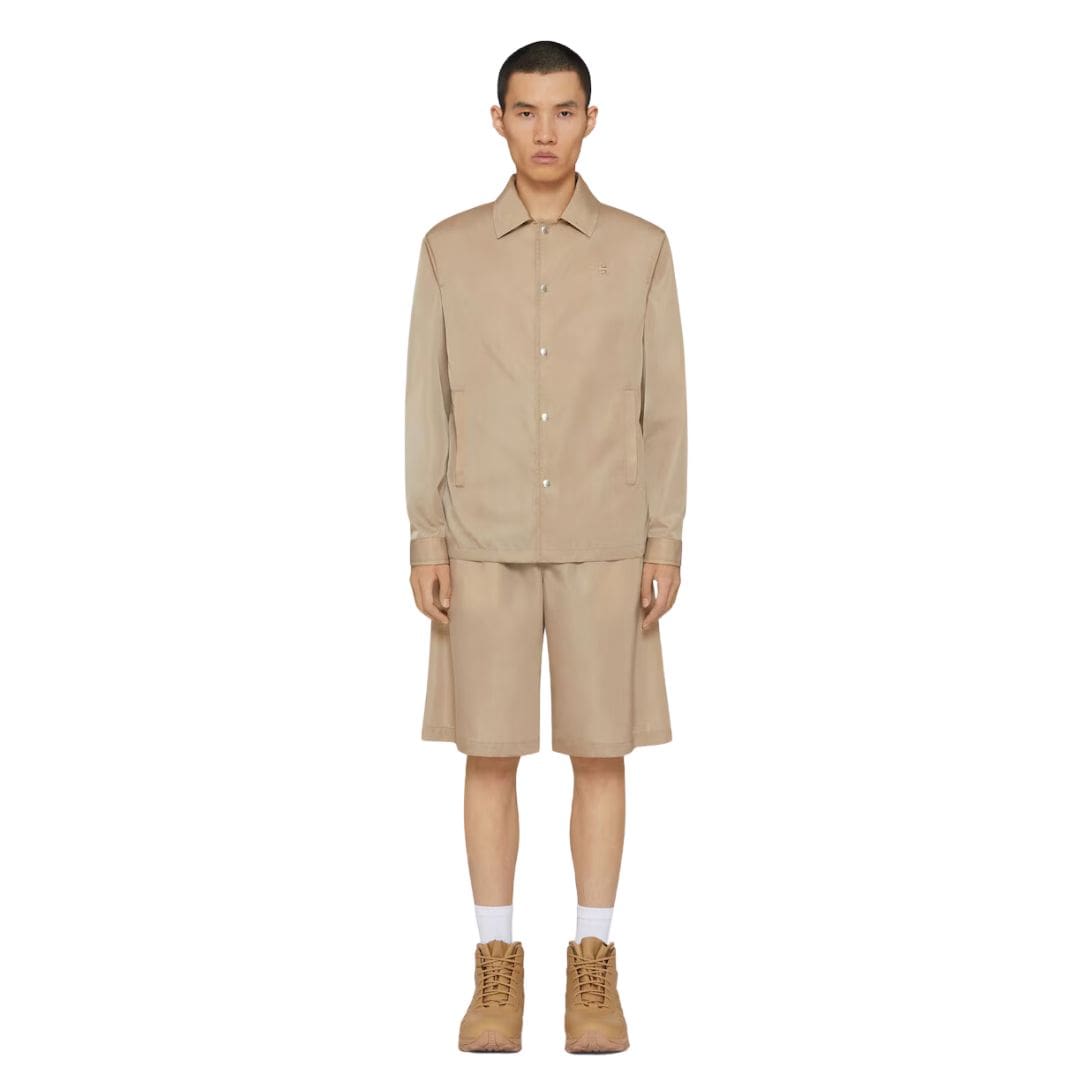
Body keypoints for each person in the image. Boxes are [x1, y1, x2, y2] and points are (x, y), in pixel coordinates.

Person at [403, 40, 688, 1054]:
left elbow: (665, 408)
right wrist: (425, 532)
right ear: (498, 120)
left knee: (600, 750)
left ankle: (593, 968)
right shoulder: (447, 249)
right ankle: (495, 970)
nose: (544, 132)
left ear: (591, 119)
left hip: (606, 537)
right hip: (481, 535)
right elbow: (426, 404)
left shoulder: (642, 249)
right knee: (489, 751)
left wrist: (664, 534)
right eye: (525, 112)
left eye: (564, 111)